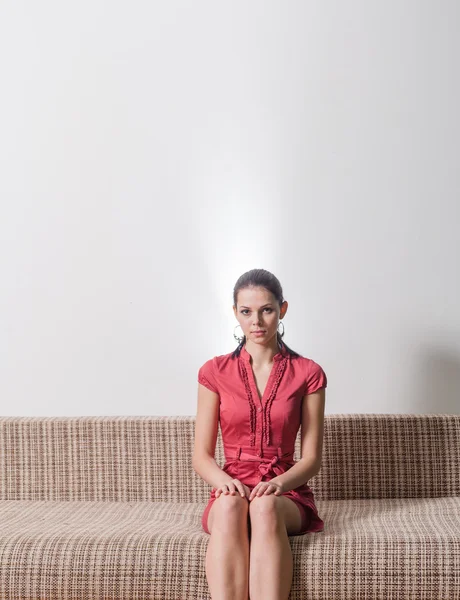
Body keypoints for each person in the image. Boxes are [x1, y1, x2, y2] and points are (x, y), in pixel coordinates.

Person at [192, 268, 327, 599]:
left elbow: (311, 459)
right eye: (246, 311)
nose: (257, 321)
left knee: (264, 507)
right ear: (235, 312)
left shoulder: (308, 373)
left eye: (267, 310)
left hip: (285, 492)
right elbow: (201, 455)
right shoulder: (214, 371)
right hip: (233, 484)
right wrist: (222, 482)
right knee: (229, 507)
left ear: (282, 309)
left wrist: (278, 484)